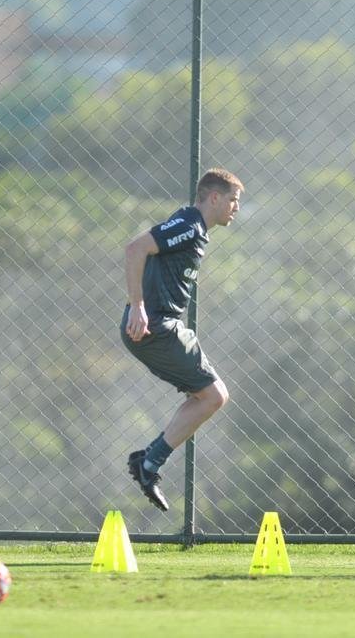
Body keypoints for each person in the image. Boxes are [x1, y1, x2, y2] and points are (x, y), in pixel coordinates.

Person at [121, 168, 244, 511]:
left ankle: (149, 462)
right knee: (215, 396)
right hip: (157, 326)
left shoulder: (193, 228)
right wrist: (138, 307)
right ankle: (149, 463)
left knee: (207, 396)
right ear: (215, 198)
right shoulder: (189, 226)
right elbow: (135, 248)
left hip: (159, 326)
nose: (236, 207)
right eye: (233, 200)